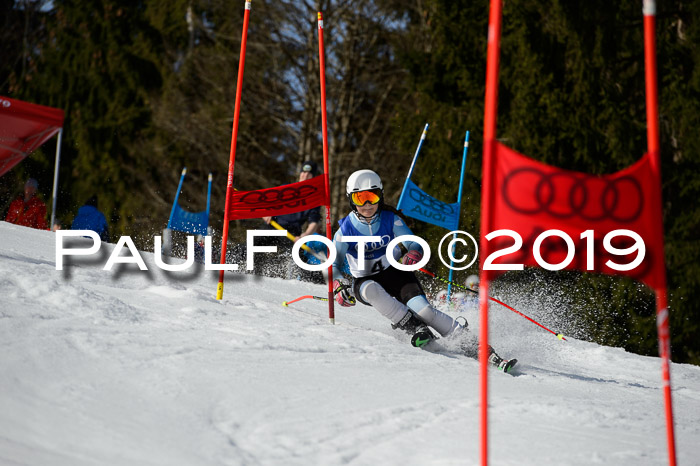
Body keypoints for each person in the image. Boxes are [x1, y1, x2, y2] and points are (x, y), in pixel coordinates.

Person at [330, 169, 516, 372]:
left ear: (380, 196)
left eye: (372, 196)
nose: (367, 204)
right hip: (364, 280)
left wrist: (413, 254)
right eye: (360, 197)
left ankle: (479, 347)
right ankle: (415, 328)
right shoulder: (345, 230)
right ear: (351, 199)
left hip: (395, 274)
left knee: (425, 310)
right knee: (370, 289)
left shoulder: (391, 219)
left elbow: (414, 244)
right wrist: (339, 285)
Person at [259, 160, 324, 283]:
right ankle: (230, 265)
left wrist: (305, 235)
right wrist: (266, 212)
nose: (304, 175)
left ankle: (314, 282)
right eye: (303, 172)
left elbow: (313, 222)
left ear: (313, 177)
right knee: (252, 241)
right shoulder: (287, 189)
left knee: (299, 255)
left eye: (308, 174)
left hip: (293, 234)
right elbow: (267, 203)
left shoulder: (313, 199)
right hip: (274, 226)